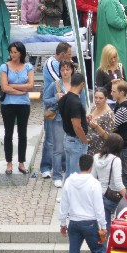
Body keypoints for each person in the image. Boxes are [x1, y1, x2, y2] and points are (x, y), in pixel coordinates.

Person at [59, 155, 107, 253]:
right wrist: (103, 226)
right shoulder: (94, 183)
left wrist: (62, 223)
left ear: (79, 165)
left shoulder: (69, 181)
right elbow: (99, 208)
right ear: (92, 167)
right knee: (98, 251)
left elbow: (64, 203)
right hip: (90, 223)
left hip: (74, 222)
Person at [44, 60, 86, 186]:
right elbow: (45, 100)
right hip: (58, 119)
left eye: (67, 69)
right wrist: (56, 98)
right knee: (58, 148)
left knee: (70, 148)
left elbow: (83, 104)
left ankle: (68, 173)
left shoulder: (77, 85)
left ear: (72, 70)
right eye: (62, 70)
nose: (65, 72)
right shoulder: (55, 85)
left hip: (74, 120)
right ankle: (57, 175)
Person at [0, 42, 35, 176]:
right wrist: (21, 90)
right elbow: (4, 87)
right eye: (11, 52)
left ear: (21, 53)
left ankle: (21, 162)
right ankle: (9, 162)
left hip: (23, 105)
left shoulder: (28, 67)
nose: (13, 55)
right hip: (8, 104)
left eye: (15, 52)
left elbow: (31, 85)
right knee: (8, 134)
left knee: (22, 134)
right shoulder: (4, 67)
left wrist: (12, 86)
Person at [40, 43, 72, 181]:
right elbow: (59, 82)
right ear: (63, 54)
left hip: (64, 106)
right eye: (69, 55)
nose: (71, 58)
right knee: (50, 139)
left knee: (63, 139)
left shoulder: (62, 64)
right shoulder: (50, 64)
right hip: (52, 105)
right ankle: (46, 167)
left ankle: (62, 166)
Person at [92, 134, 127, 230]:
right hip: (113, 196)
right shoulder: (116, 160)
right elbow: (118, 183)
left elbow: (93, 178)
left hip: (100, 195)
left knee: (104, 227)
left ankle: (104, 244)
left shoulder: (96, 157)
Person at [59, 73, 90, 180]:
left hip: (67, 138)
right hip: (77, 141)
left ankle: (65, 195)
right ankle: (73, 196)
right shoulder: (75, 102)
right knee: (76, 175)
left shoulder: (64, 98)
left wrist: (84, 119)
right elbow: (77, 126)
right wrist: (85, 140)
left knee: (68, 173)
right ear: (82, 84)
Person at [95, 0, 127, 82]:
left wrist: (124, 17)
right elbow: (113, 20)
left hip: (111, 37)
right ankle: (119, 83)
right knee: (115, 60)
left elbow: (112, 15)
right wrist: (126, 22)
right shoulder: (110, 1)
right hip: (113, 38)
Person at [111, 79, 127, 185]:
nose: (111, 93)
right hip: (123, 145)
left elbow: (112, 126)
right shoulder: (125, 102)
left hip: (122, 146)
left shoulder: (123, 110)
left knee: (122, 174)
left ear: (121, 93)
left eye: (114, 91)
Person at [87, 89, 116, 156]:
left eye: (101, 98)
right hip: (89, 147)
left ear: (106, 99)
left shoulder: (109, 114)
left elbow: (108, 137)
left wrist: (97, 127)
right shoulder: (94, 107)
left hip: (99, 150)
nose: (97, 100)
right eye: (96, 97)